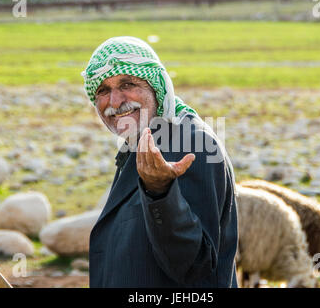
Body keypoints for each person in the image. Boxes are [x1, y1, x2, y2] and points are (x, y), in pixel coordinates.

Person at [81, 36, 238, 287]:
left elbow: (197, 268)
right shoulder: (143, 140)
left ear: (156, 86)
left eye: (128, 84)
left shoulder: (192, 144)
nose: (115, 101)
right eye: (103, 90)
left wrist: (160, 192)